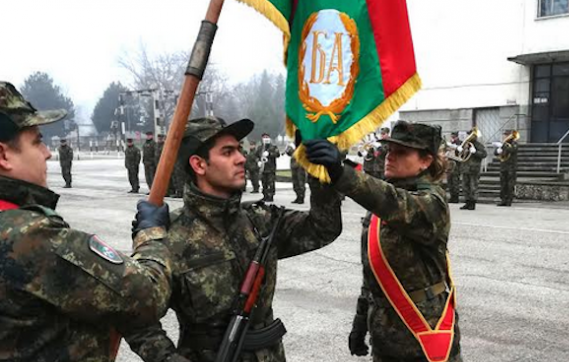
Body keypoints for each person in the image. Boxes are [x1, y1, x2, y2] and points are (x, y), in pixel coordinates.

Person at [124, 117, 343, 362]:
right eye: (227, 152)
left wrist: (323, 176)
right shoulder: (171, 236)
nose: (241, 158)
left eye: (238, 149)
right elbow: (136, 317)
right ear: (199, 164)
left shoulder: (260, 220)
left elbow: (323, 229)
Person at [0, 81, 174, 360]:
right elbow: (148, 294)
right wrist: (150, 232)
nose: (47, 153)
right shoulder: (29, 236)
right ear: (3, 155)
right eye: (37, 141)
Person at [304, 121, 462, 362]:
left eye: (401, 152)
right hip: (385, 335)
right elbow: (374, 271)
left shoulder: (432, 202)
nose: (390, 157)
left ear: (426, 161)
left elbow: (395, 203)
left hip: (422, 335)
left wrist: (340, 171)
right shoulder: (382, 200)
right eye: (389, 151)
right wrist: (360, 322)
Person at [459, 128, 487, 210]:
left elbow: (484, 154)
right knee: (465, 186)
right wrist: (459, 150)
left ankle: (472, 203)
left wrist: (475, 152)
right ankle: (467, 202)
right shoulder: (465, 144)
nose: (469, 136)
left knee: (473, 186)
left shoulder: (478, 145)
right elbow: (460, 156)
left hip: (474, 169)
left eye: (470, 134)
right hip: (465, 168)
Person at [494, 130, 518, 207]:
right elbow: (496, 153)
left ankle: (509, 200)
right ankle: (503, 200)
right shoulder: (504, 144)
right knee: (503, 184)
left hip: (511, 167)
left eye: (506, 135)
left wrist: (502, 146)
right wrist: (497, 151)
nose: (504, 137)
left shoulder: (514, 143)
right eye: (504, 135)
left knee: (510, 185)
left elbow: (512, 150)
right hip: (503, 166)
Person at [256, 132, 280, 202]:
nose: (265, 139)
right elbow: (256, 155)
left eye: (267, 137)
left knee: (271, 183)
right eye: (264, 137)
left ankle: (270, 196)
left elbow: (277, 154)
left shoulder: (273, 147)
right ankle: (265, 195)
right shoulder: (260, 148)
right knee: (264, 183)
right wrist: (258, 161)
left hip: (271, 168)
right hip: (263, 169)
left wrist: (270, 154)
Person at [445, 132, 462, 204]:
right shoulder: (449, 143)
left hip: (456, 165)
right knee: (450, 181)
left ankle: (456, 197)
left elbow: (461, 153)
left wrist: (456, 147)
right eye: (452, 137)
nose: (452, 138)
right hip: (449, 164)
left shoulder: (460, 143)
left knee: (455, 182)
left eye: (454, 137)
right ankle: (452, 196)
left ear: (457, 136)